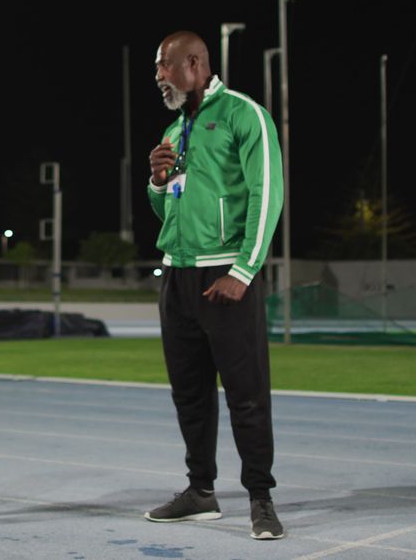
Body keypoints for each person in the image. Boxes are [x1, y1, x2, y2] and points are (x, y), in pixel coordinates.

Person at [144, 31, 285, 540]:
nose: (158, 75)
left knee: (246, 395)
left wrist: (243, 271)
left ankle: (261, 499)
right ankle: (200, 491)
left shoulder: (244, 115)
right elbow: (168, 209)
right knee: (190, 395)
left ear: (195, 63)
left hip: (226, 275)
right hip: (178, 277)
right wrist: (157, 183)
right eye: (157, 67)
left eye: (165, 65)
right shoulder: (173, 128)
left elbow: (267, 193)